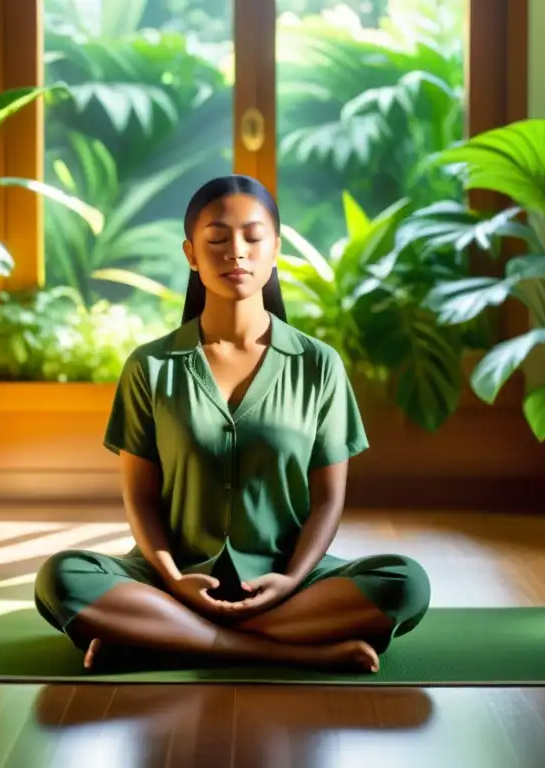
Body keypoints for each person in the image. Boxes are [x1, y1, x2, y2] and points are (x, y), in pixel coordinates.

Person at [34, 175, 431, 673]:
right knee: (64, 577)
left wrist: (291, 581)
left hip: (287, 582)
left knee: (404, 582)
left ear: (276, 249)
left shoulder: (318, 365)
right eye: (217, 240)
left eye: (253, 236)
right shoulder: (150, 367)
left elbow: (328, 500)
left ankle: (158, 635)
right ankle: (271, 650)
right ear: (191, 254)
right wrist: (173, 579)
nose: (235, 252)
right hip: (171, 580)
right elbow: (139, 498)